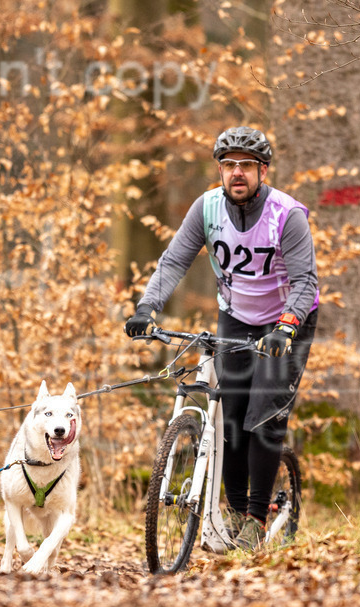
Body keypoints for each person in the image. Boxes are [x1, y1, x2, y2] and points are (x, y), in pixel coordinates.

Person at [124, 125, 319, 551]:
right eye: (228, 165)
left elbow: (306, 281)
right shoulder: (207, 208)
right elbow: (174, 259)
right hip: (236, 317)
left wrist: (286, 326)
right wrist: (146, 307)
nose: (236, 173)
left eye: (246, 165)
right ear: (219, 169)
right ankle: (233, 510)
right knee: (230, 419)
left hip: (287, 322)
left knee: (263, 416)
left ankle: (255, 519)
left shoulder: (288, 215)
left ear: (262, 171)